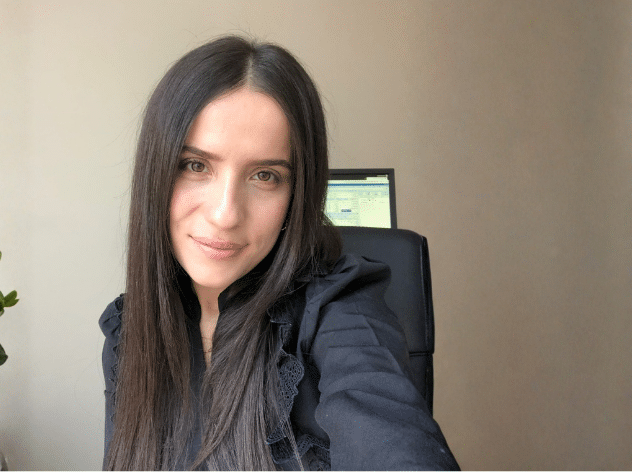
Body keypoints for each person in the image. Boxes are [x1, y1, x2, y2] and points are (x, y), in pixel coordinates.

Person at [100, 35, 459, 471]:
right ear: (156, 172)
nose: (226, 214)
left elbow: (391, 438)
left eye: (265, 176)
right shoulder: (129, 330)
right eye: (196, 166)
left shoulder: (339, 312)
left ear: (296, 194)